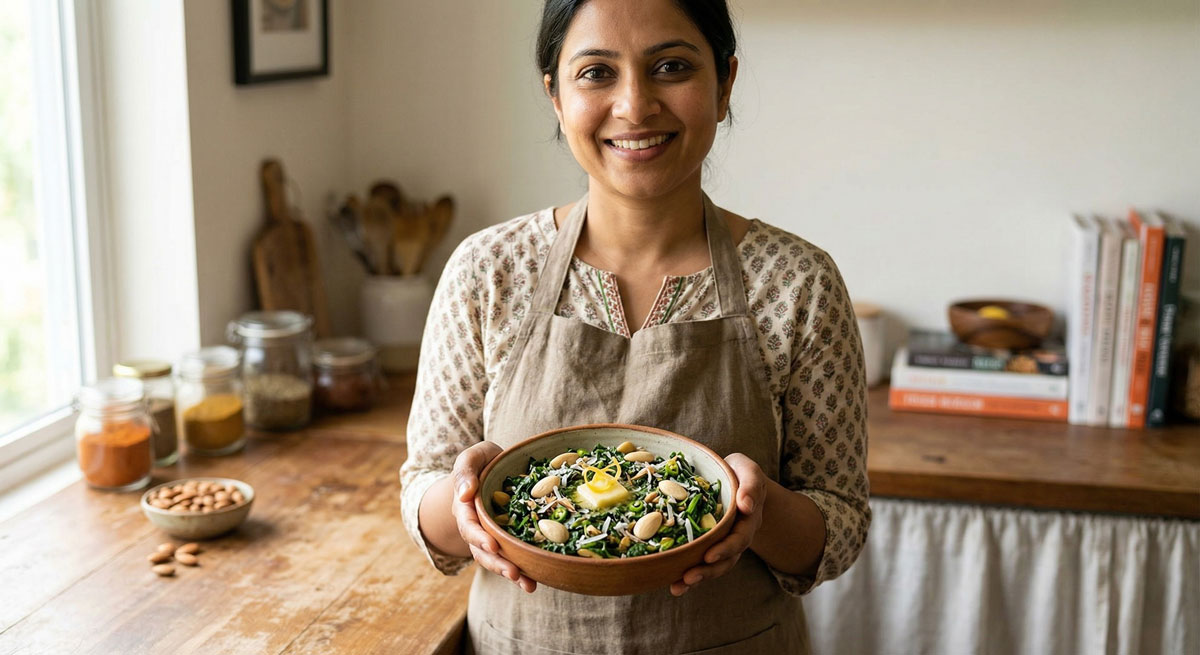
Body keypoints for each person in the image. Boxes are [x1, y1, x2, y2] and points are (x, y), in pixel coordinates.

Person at [400, 0, 870, 652]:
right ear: (556, 97)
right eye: (596, 73)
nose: (635, 104)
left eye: (671, 66)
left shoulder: (798, 284)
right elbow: (422, 489)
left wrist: (758, 512)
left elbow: (839, 527)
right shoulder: (489, 271)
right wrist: (462, 497)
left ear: (725, 83)